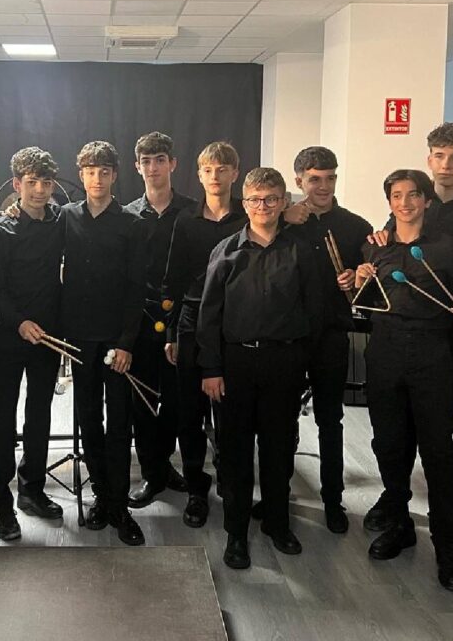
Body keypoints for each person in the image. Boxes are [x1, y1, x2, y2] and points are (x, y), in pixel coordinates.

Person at [363, 122, 453, 555]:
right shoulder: (411, 201)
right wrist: (376, 247)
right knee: (400, 426)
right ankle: (397, 501)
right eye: (440, 156)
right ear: (430, 159)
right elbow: (391, 249)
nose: (447, 165)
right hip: (412, 338)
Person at [353, 169, 453, 592]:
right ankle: (399, 524)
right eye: (397, 195)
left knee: (436, 450)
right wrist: (359, 282)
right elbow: (364, 305)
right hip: (384, 351)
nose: (405, 203)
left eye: (413, 195)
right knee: (389, 444)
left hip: (431, 352)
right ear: (389, 202)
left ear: (427, 200)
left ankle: (445, 546)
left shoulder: (448, 247)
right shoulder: (376, 247)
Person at [198, 167, 319, 569]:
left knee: (279, 447)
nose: (262, 206)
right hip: (235, 364)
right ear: (244, 203)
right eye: (254, 199)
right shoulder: (225, 251)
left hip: (284, 362)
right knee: (234, 452)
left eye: (271, 199)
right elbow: (209, 315)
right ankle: (236, 532)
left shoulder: (301, 250)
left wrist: (303, 363)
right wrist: (211, 368)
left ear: (284, 202)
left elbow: (314, 311)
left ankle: (277, 522)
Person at [60, 141, 147, 546]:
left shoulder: (131, 223)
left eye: (104, 171)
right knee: (89, 417)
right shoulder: (65, 217)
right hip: (79, 338)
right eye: (90, 171)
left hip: (117, 340)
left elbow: (136, 287)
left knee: (120, 422)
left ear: (115, 175)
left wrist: (127, 341)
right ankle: (100, 494)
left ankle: (119, 504)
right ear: (81, 175)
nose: (97, 178)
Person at [285, 146, 371, 534]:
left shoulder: (354, 225)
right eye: (315, 179)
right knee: (282, 420)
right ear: (299, 180)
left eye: (330, 178)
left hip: (332, 335)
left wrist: (357, 276)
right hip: (288, 336)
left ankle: (333, 500)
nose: (324, 186)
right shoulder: (285, 223)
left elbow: (371, 280)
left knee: (330, 420)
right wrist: (283, 217)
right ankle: (279, 493)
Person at [162, 141, 246, 528]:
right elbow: (174, 279)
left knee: (231, 413)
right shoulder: (185, 220)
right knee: (190, 413)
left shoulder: (248, 216)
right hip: (192, 322)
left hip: (235, 323)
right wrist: (172, 332)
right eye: (208, 170)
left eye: (222, 169)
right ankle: (197, 487)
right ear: (199, 175)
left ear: (234, 173)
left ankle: (231, 480)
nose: (215, 176)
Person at [0, 147, 66, 541]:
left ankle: (32, 489)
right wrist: (19, 322)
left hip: (48, 337)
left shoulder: (60, 222)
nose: (39, 190)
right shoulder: (0, 232)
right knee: (4, 419)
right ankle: (1, 503)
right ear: (17, 184)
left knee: (40, 415)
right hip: (10, 335)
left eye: (46, 182)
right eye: (31, 182)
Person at [125, 132, 196, 509]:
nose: (153, 168)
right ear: (137, 167)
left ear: (173, 164)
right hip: (139, 321)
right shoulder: (127, 216)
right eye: (146, 161)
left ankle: (165, 464)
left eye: (160, 160)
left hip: (179, 321)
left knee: (176, 400)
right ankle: (151, 472)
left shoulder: (193, 212)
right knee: (142, 400)